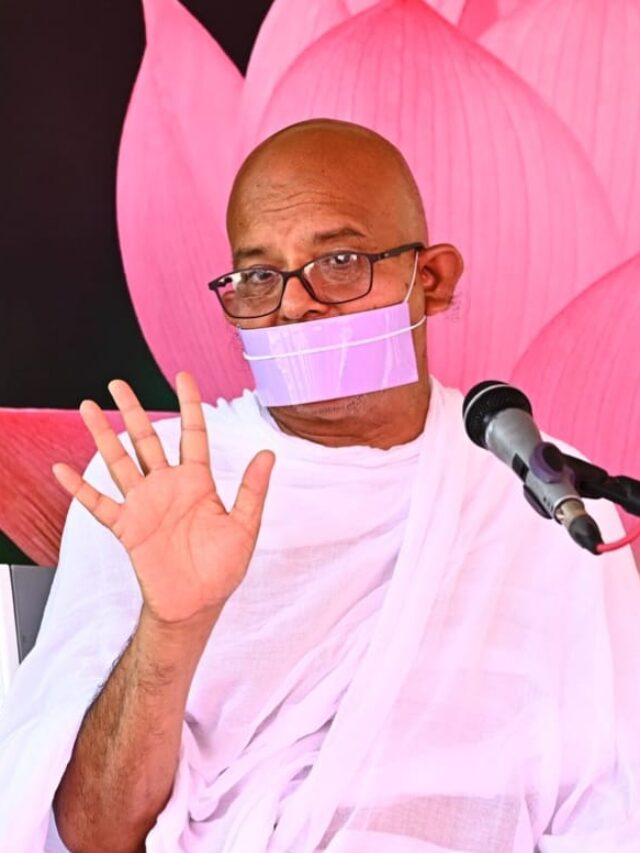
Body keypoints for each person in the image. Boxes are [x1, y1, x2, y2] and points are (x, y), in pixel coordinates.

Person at [0, 119, 639, 853]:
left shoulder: (536, 493)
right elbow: (89, 835)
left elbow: (616, 809)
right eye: (259, 275)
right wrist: (171, 627)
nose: (295, 304)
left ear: (430, 280)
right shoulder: (161, 479)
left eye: (338, 261)